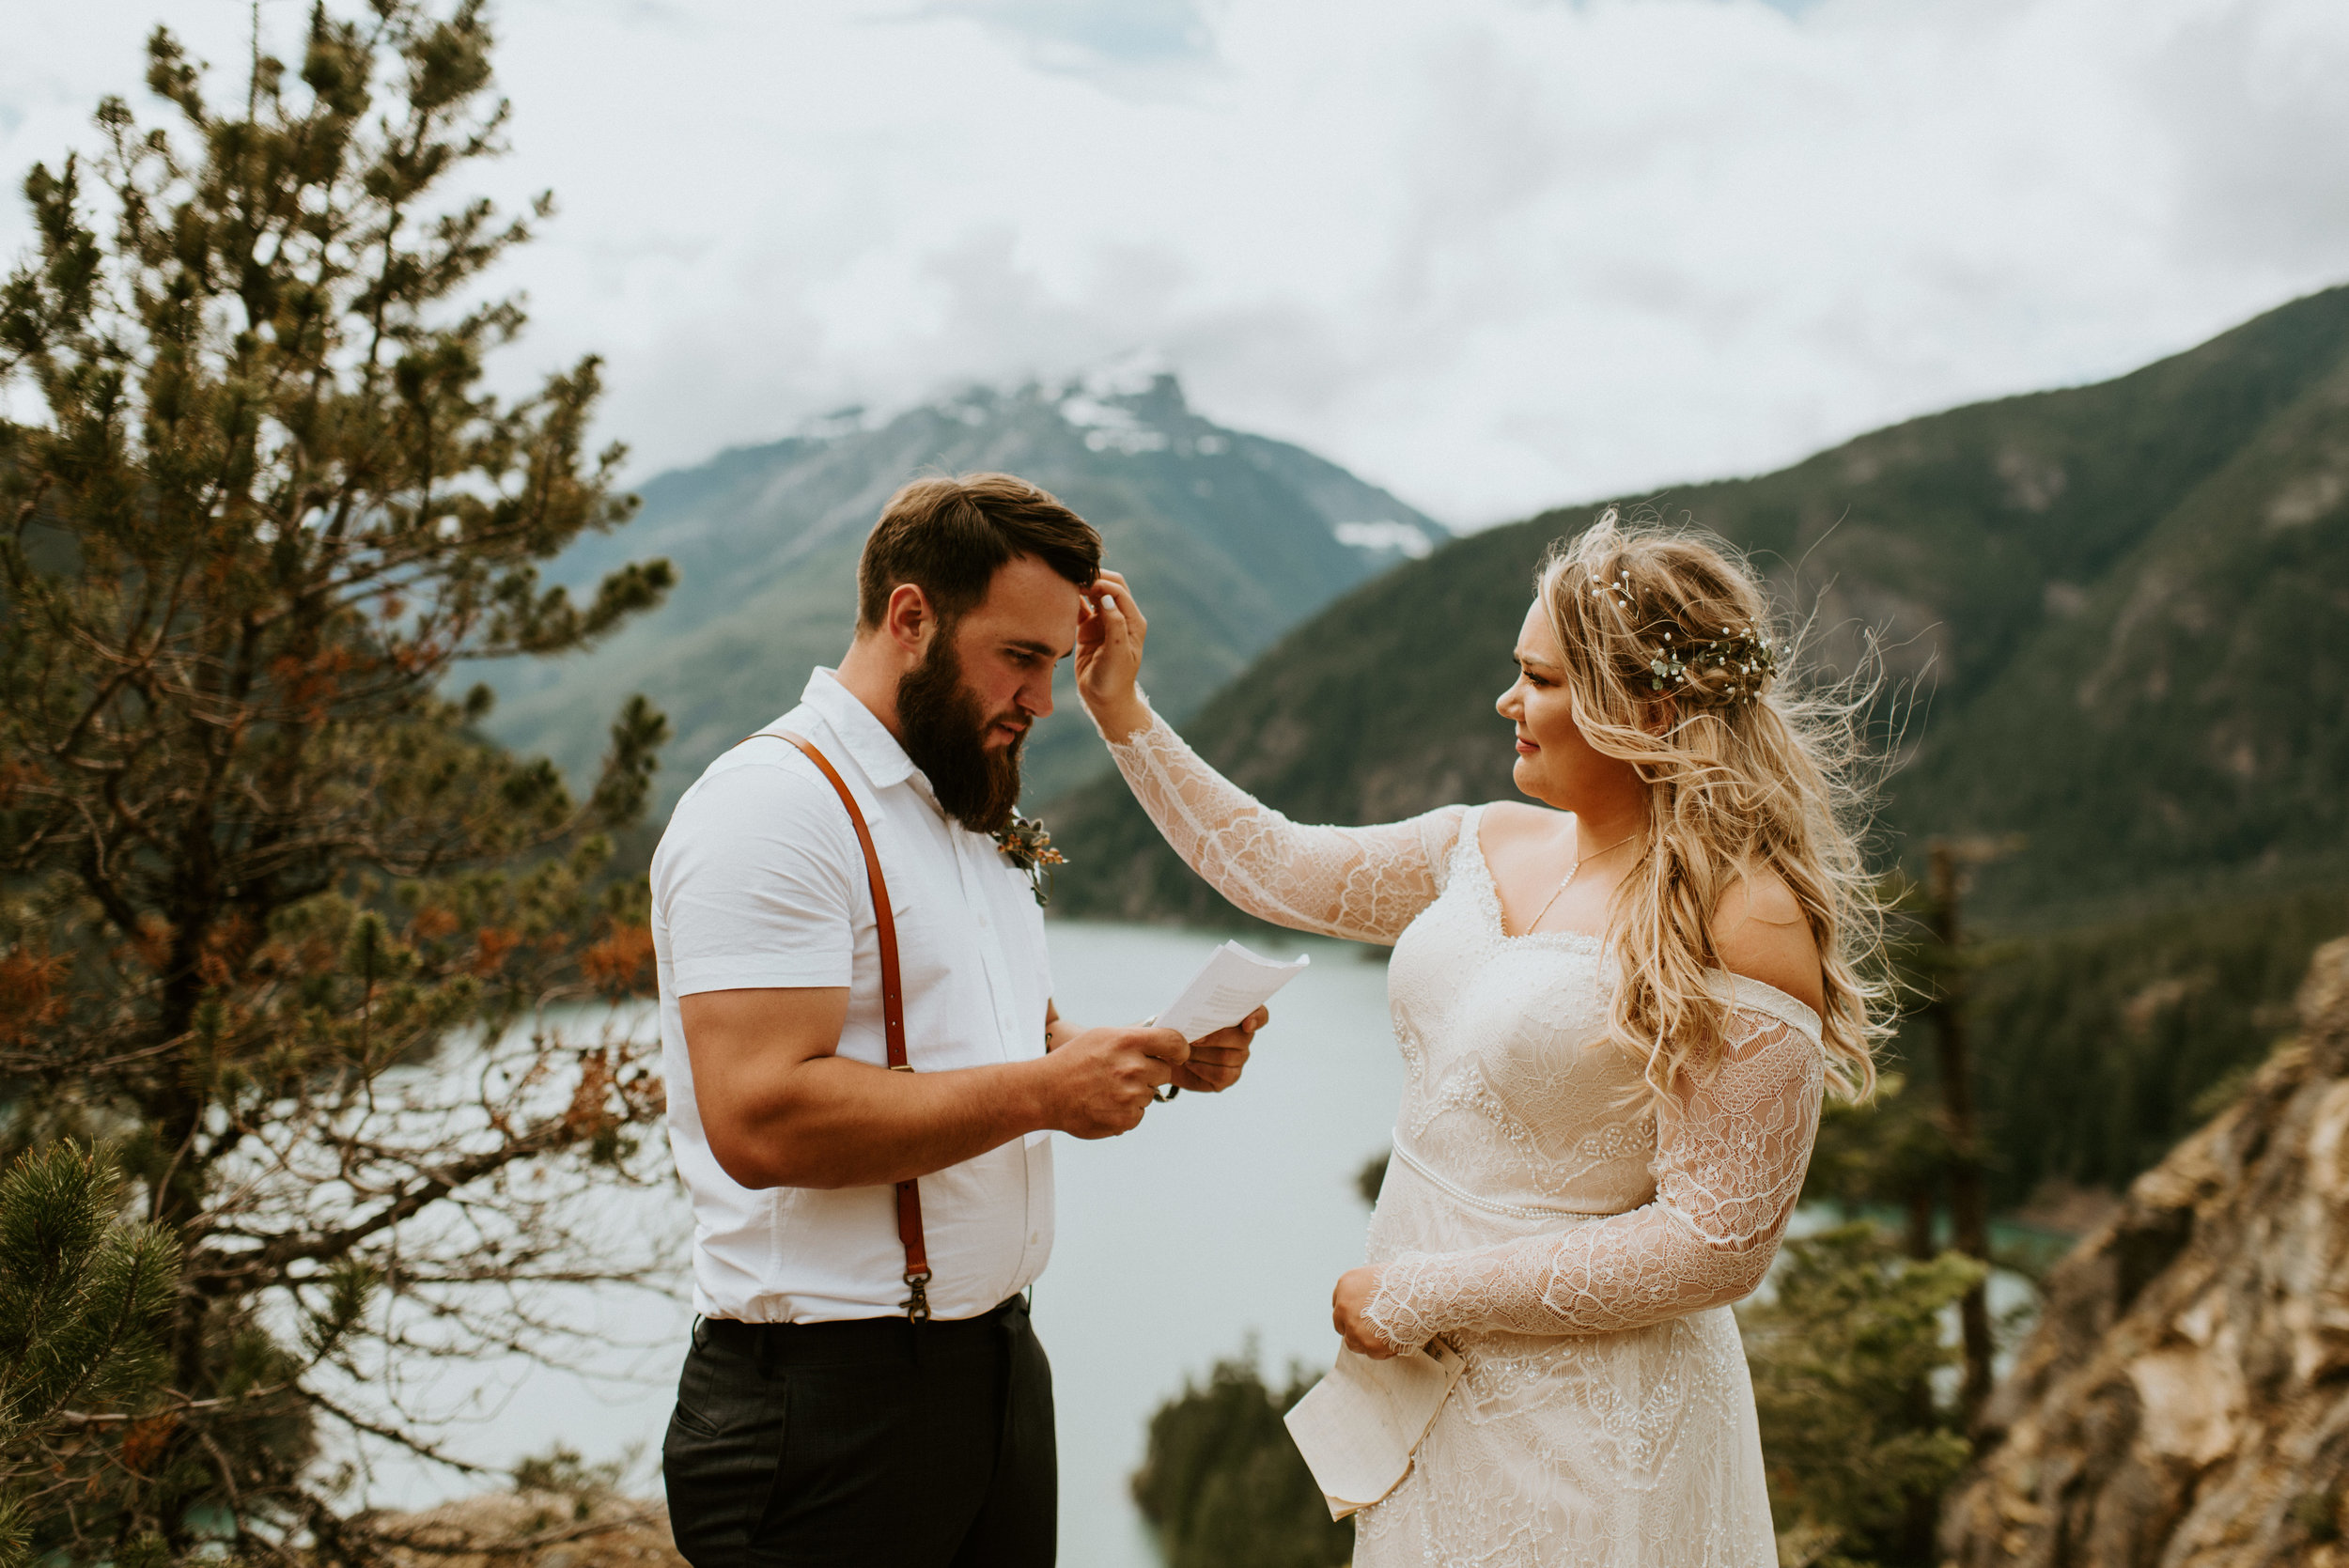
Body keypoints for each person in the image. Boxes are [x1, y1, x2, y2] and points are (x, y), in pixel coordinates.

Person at [1072, 507, 1889, 1566]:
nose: (1508, 700)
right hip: (1430, 1397)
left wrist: (1417, 1294)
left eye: (1541, 680)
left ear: (1648, 701)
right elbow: (1271, 864)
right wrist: (1120, 710)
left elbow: (1717, 1244)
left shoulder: (1745, 914)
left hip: (1595, 1431)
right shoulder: (1482, 840)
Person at [651, 472, 1267, 1568]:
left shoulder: (971, 806)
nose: (1042, 699)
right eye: (1020, 657)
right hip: (827, 1405)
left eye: (1055, 664)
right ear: (909, 616)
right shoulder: (772, 807)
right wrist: (1046, 1094)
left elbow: (1015, 1044)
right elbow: (760, 1120)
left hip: (994, 1374)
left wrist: (1152, 1052)